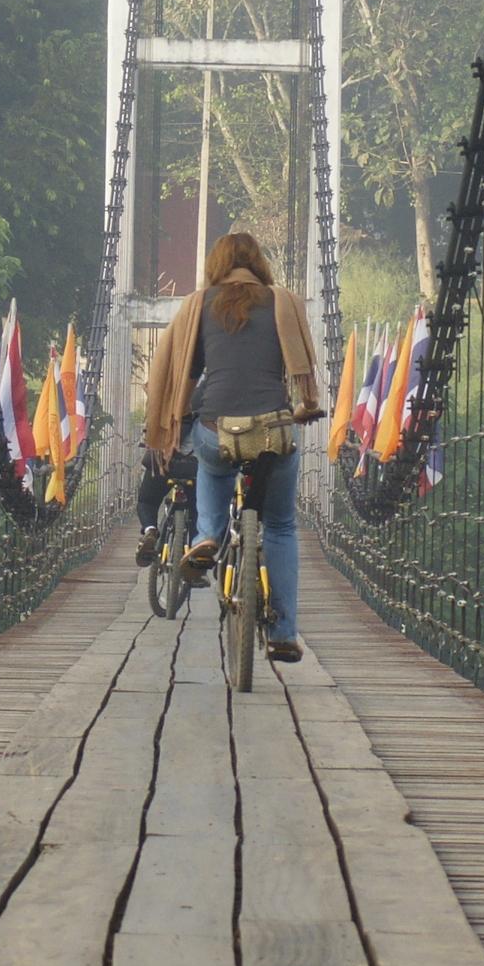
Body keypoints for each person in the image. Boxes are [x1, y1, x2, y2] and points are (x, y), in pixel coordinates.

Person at [144, 231, 323, 662]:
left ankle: (207, 536)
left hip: (215, 426)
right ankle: (283, 632)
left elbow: (186, 374)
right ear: (259, 263)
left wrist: (174, 421)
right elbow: (300, 371)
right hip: (273, 430)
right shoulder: (283, 303)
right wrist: (306, 406)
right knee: (279, 526)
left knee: (212, 463)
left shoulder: (199, 305)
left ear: (216, 264)